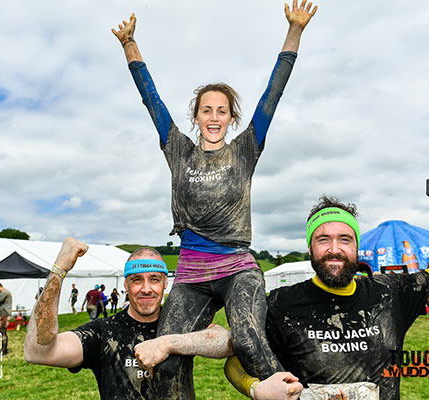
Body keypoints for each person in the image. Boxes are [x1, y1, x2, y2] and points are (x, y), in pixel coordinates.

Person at [112, 1, 318, 393]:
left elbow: (272, 94)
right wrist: (129, 45)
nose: (213, 117)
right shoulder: (178, 149)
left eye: (221, 111)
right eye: (206, 110)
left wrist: (295, 31)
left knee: (247, 341)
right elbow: (151, 100)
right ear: (197, 116)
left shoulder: (245, 149)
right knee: (165, 359)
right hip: (190, 272)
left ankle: (294, 393)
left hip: (237, 267)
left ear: (230, 118)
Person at [221, 177, 429, 399]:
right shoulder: (281, 304)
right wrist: (256, 389)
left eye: (345, 239)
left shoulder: (389, 294)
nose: (335, 249)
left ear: (356, 246)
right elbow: (237, 359)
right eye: (323, 239)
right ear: (310, 248)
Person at [24, 239, 233, 399]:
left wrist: (167, 343)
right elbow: (37, 352)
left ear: (165, 284)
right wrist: (59, 270)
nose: (146, 289)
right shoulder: (103, 332)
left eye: (154, 280)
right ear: (125, 285)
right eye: (136, 280)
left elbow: (228, 342)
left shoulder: (180, 322)